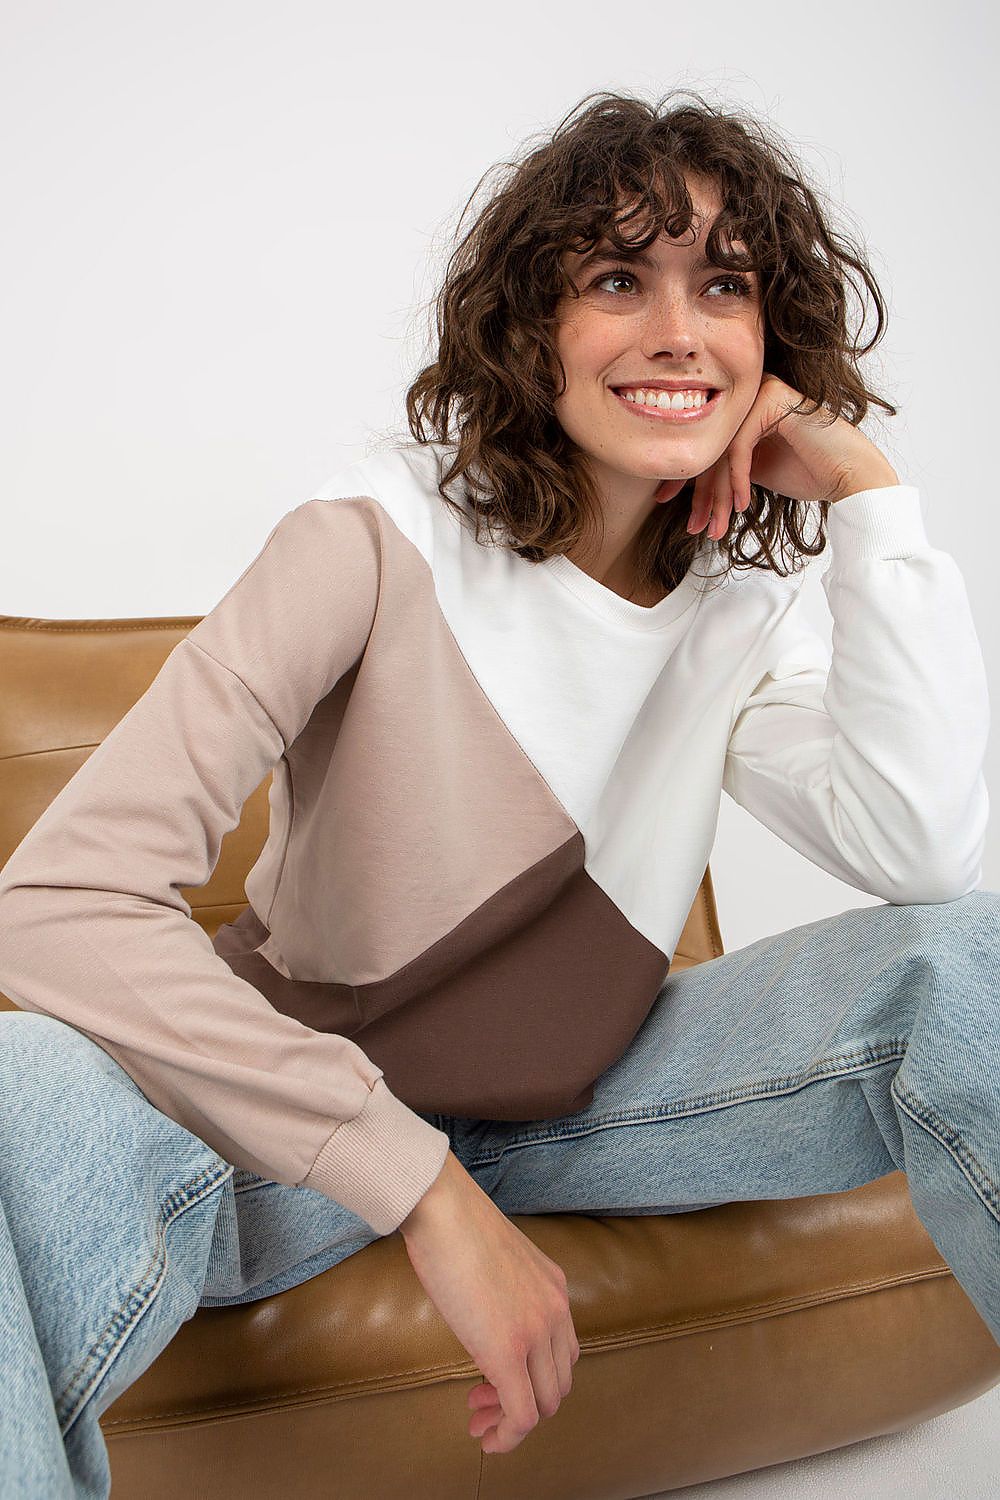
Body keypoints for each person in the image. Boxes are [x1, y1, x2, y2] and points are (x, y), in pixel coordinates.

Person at [0, 85, 996, 1495]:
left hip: (591, 1103)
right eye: (617, 279)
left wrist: (869, 495)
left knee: (976, 960)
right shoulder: (373, 539)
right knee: (20, 1078)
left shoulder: (744, 607)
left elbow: (928, 853)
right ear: (532, 327)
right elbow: (53, 903)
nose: (678, 330)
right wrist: (423, 1189)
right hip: (307, 1123)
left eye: (724, 285)